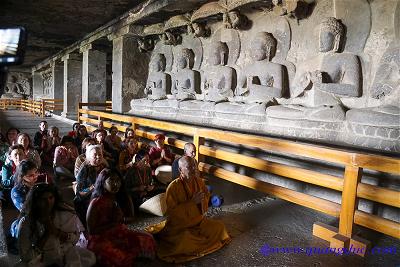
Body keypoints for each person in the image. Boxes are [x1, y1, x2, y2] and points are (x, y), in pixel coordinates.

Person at [147, 156, 230, 263]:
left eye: (194, 166)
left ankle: (199, 241)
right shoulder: (173, 187)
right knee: (184, 240)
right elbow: (172, 213)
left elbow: (206, 198)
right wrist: (191, 203)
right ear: (180, 170)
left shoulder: (199, 182)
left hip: (199, 222)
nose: (193, 169)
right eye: (189, 167)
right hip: (181, 227)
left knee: (220, 227)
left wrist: (204, 199)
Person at [87, 168, 156, 266]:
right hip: (100, 238)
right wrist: (114, 223)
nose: (116, 184)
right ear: (103, 182)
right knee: (119, 256)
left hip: (119, 232)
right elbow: (91, 231)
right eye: (111, 180)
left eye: (118, 180)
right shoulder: (96, 203)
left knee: (148, 239)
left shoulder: (119, 197)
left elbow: (130, 218)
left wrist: (122, 217)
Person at [17, 183, 96, 267]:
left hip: (64, 253)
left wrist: (56, 232)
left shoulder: (63, 214)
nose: (48, 203)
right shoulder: (26, 222)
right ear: (35, 202)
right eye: (43, 199)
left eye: (50, 198)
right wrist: (47, 233)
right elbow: (25, 256)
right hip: (41, 259)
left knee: (90, 258)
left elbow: (75, 239)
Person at [74, 145, 106, 226]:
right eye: (95, 155)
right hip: (88, 198)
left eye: (100, 154)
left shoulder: (105, 167)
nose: (98, 157)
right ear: (88, 157)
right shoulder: (85, 170)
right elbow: (80, 192)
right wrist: (92, 188)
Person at [10, 160, 39, 238]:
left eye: (36, 172)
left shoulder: (40, 183)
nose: (35, 176)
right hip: (31, 217)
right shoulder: (16, 191)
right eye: (31, 175)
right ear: (22, 176)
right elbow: (27, 209)